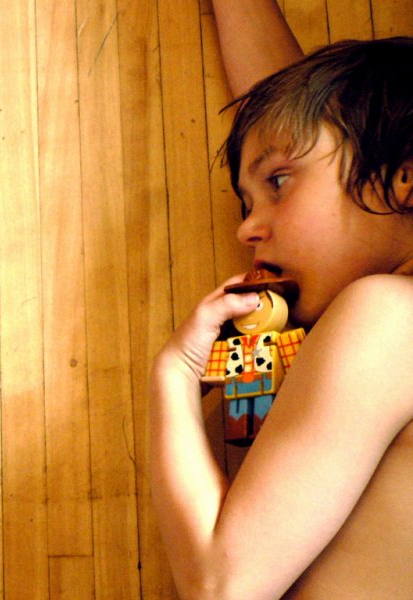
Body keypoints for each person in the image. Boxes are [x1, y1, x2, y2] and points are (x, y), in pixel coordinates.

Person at [149, 2, 413, 598]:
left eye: (277, 184)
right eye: (246, 204)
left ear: (405, 179)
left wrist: (175, 372)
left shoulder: (389, 316)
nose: (246, 229)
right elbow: (310, 131)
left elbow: (223, 587)